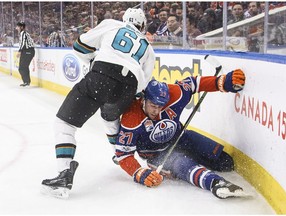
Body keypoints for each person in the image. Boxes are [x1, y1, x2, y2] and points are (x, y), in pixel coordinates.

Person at [41, 8, 155, 198]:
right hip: (129, 85)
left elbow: (80, 46)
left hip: (102, 74)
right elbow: (142, 83)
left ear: (124, 19)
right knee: (109, 117)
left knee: (64, 124)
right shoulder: (148, 47)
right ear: (142, 26)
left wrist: (95, 61)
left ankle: (64, 174)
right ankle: (119, 155)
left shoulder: (112, 25)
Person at [113, 69, 247, 199]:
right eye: (153, 106)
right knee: (182, 163)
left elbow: (194, 83)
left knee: (225, 163)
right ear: (144, 99)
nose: (156, 111)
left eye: (161, 106)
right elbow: (123, 155)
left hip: (181, 137)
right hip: (157, 154)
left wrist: (222, 82)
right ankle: (216, 183)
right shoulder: (131, 117)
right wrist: (140, 173)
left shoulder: (175, 94)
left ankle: (193, 161)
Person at [15, 21, 35, 87]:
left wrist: (19, 51)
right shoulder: (22, 34)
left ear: (22, 27)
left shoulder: (23, 33)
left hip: (28, 51)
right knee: (22, 67)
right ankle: (26, 82)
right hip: (26, 51)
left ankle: (27, 82)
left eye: (18, 26)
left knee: (22, 67)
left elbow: (23, 43)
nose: (16, 28)